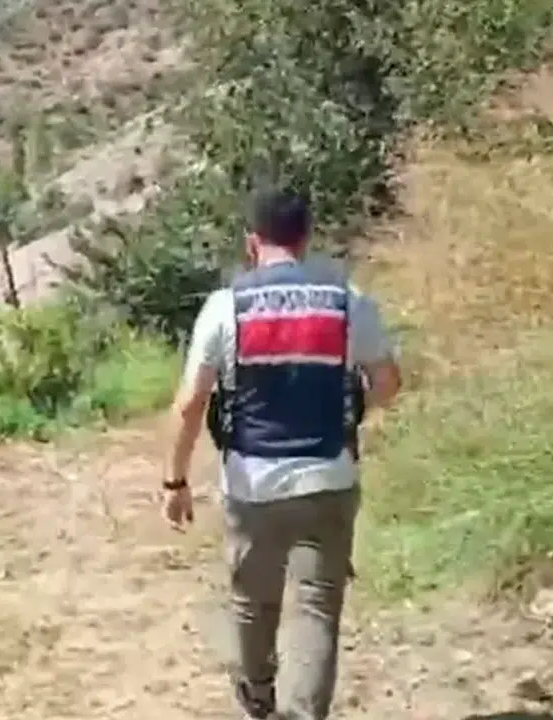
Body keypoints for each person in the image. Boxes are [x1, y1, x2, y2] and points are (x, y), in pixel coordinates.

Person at [164, 188, 401, 720]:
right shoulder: (348, 299)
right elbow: (387, 383)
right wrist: (353, 409)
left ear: (252, 242)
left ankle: (258, 694)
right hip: (330, 478)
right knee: (317, 608)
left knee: (253, 602)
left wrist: (175, 482)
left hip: (252, 486)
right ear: (306, 237)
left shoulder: (226, 306)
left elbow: (189, 404)